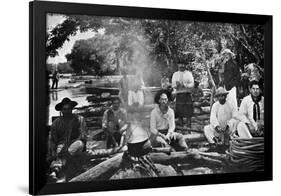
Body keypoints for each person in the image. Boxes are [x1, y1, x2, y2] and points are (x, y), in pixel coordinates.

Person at [48, 97, 87, 181]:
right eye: (65, 109)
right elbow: (53, 140)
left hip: (76, 143)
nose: (67, 111)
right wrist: (54, 152)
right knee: (59, 151)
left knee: (77, 145)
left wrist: (70, 145)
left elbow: (83, 136)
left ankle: (56, 170)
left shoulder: (80, 119)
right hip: (61, 145)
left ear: (72, 109)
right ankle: (56, 171)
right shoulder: (56, 123)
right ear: (61, 110)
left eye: (69, 109)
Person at [172, 63, 194, 127]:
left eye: (182, 65)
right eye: (180, 65)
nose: (181, 66)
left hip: (187, 94)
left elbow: (192, 84)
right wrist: (177, 85)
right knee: (179, 113)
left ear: (185, 66)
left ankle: (189, 128)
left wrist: (185, 85)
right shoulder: (175, 74)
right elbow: (173, 85)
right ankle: (182, 129)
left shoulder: (188, 74)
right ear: (178, 66)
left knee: (189, 113)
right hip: (179, 95)